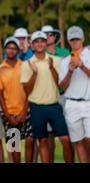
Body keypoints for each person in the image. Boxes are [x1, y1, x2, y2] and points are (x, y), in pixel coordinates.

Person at [20, 31, 73, 163]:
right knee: (42, 141)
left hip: (54, 106)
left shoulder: (55, 60)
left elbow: (59, 84)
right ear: (32, 45)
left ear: (46, 43)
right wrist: (34, 74)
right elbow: (26, 89)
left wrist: (51, 68)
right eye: (36, 41)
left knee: (65, 139)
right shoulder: (27, 64)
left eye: (42, 41)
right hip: (36, 107)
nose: (39, 44)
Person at [0, 37, 34, 163]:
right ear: (5, 50)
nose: (11, 50)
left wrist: (24, 112)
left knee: (30, 140)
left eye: (14, 48)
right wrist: (8, 116)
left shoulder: (24, 66)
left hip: (25, 111)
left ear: (17, 50)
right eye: (9, 48)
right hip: (9, 113)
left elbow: (28, 91)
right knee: (14, 146)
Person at [59, 26, 90, 163]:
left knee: (89, 139)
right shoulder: (65, 61)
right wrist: (70, 71)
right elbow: (62, 86)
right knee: (78, 142)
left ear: (83, 39)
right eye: (72, 40)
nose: (75, 42)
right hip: (71, 104)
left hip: (88, 103)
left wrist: (82, 66)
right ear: (69, 41)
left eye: (77, 39)